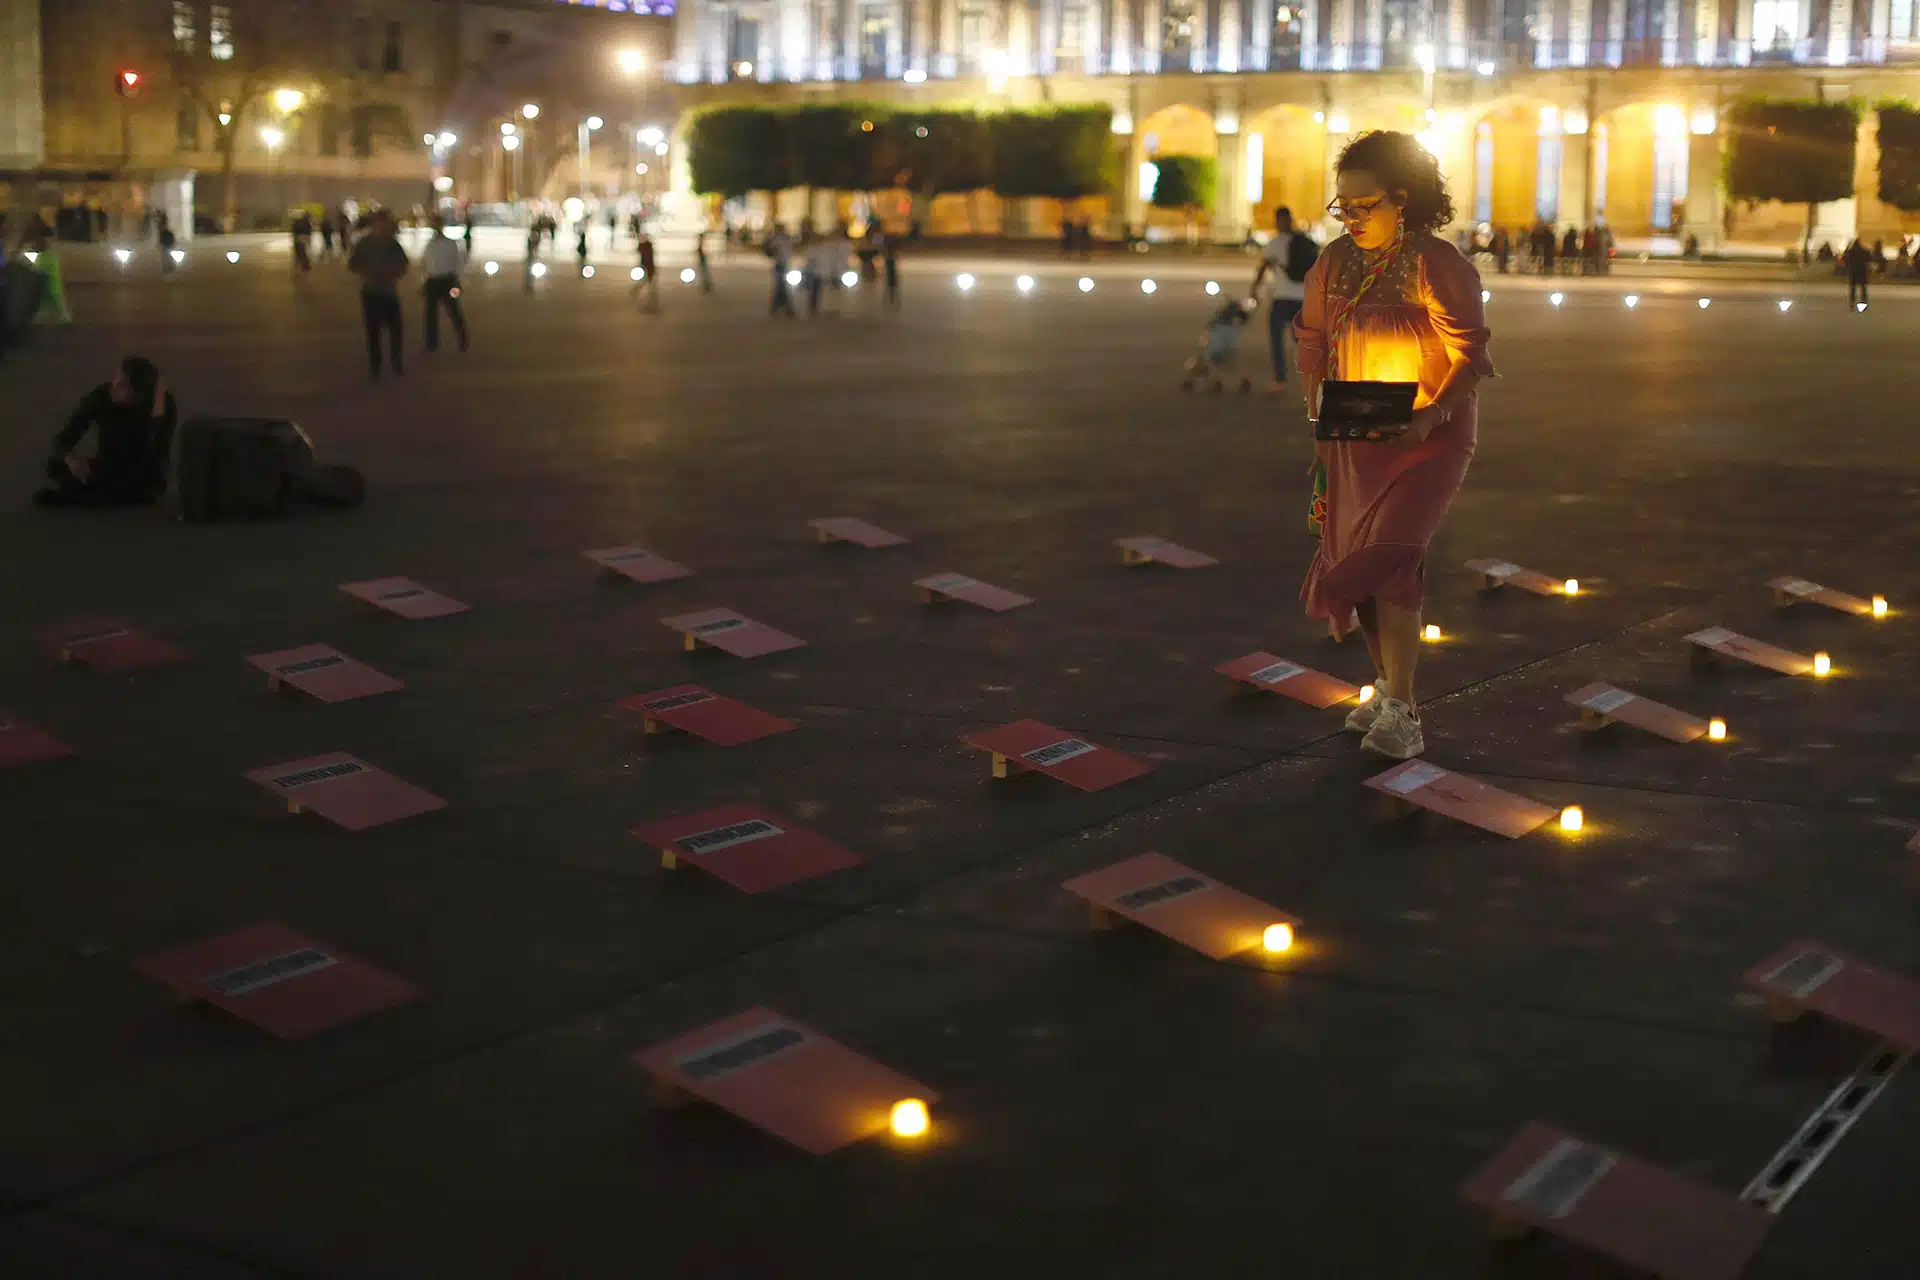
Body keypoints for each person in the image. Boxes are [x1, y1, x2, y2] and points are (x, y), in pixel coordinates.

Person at [1295, 130, 1494, 760]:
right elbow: (1312, 343)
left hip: (1430, 439)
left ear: (1403, 199)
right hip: (1354, 439)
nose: (1351, 219)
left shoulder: (1437, 264)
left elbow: (1470, 354)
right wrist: (1319, 415)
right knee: (1360, 570)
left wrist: (1429, 416)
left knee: (1392, 556)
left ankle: (1404, 713)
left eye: (1364, 206)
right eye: (1342, 208)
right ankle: (1385, 688)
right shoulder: (1333, 263)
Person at [35, 356, 177, 507]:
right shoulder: (102, 395)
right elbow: (68, 434)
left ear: (139, 396)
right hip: (107, 466)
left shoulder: (162, 405)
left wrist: (158, 408)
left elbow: (159, 451)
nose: (115, 386)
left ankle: (84, 496)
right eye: (116, 378)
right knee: (56, 465)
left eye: (123, 385)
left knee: (132, 487)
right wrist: (71, 459)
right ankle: (96, 493)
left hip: (141, 472)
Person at [1248, 206, 1318, 394]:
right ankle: (1315, 379)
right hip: (1302, 300)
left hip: (1282, 299)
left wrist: (1254, 290)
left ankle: (1280, 380)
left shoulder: (1276, 243)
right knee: (1302, 342)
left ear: (1278, 221)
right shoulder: (1305, 242)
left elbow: (1263, 268)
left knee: (1276, 339)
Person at [348, 211, 410, 379]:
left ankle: (396, 362)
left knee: (395, 330)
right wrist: (368, 271)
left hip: (389, 292)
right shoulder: (364, 244)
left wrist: (392, 273)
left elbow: (404, 265)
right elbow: (353, 264)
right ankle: (376, 366)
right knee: (373, 332)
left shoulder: (392, 244)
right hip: (371, 292)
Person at [420, 218, 468, 355]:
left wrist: (457, 280)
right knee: (430, 314)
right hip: (433, 281)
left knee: (454, 310)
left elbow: (458, 263)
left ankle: (462, 339)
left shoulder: (450, 243)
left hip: (448, 281)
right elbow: (425, 263)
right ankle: (431, 343)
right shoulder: (430, 244)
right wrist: (424, 281)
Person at [767, 222, 796, 317]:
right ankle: (786, 308)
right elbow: (772, 251)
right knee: (782, 287)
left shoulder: (786, 238)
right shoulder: (775, 239)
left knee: (782, 287)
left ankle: (778, 307)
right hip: (780, 264)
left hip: (785, 264)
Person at [1843, 238, 1871, 309]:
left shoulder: (1851, 251)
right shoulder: (1863, 251)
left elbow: (1845, 258)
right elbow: (1869, 258)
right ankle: (1863, 304)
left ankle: (1852, 303)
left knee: (1853, 289)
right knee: (1863, 289)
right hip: (1862, 272)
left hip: (1853, 272)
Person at [291, 209, 313, 273]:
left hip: (299, 237)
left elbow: (294, 229)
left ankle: (301, 264)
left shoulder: (298, 221)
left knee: (300, 251)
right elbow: (308, 230)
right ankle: (305, 265)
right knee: (303, 251)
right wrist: (308, 239)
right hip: (303, 237)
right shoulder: (306, 221)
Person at [883, 233, 900, 308]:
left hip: (890, 273)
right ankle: (892, 301)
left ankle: (891, 301)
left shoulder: (888, 255)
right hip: (891, 273)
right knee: (892, 288)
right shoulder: (891, 256)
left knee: (890, 288)